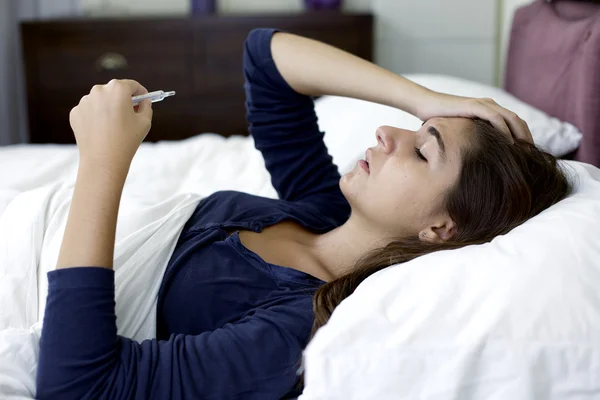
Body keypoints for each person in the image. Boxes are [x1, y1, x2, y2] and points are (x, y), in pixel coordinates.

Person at [36, 28, 570, 399]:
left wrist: (103, 162)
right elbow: (265, 58)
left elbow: (79, 387)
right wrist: (423, 100)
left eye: (424, 150)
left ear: (441, 229)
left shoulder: (300, 325)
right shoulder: (323, 210)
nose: (387, 133)